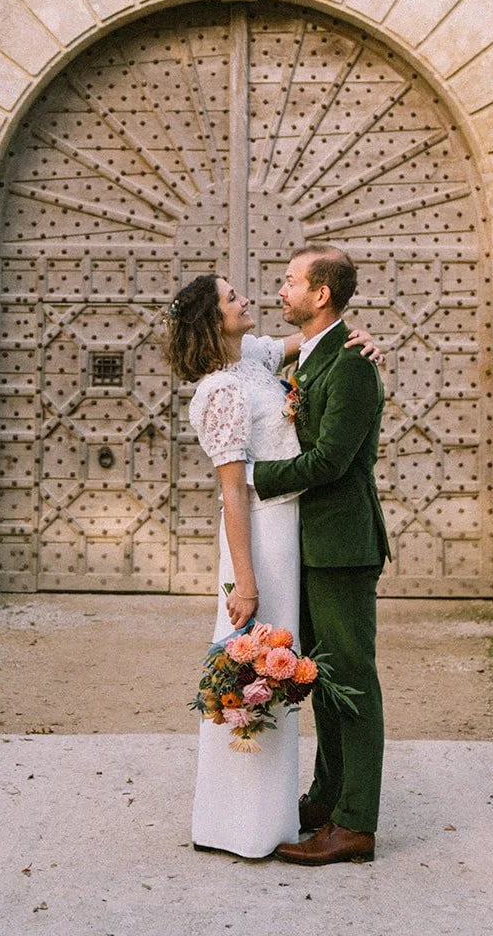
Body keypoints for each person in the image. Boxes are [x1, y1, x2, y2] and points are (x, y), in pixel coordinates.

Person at [164, 273, 379, 860]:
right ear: (214, 320)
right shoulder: (220, 393)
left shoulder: (254, 359)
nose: (249, 300)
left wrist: (360, 339)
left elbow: (316, 342)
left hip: (295, 536)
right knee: (255, 667)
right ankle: (240, 819)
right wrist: (246, 581)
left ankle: (287, 808)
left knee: (290, 670)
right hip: (259, 541)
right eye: (234, 299)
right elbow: (234, 493)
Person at [252, 245, 389, 867]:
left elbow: (331, 461)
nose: (281, 291)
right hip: (309, 546)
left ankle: (355, 824)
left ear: (321, 294)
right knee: (324, 681)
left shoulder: (353, 366)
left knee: (352, 681)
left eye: (289, 282)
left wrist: (251, 477)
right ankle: (328, 798)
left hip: (342, 546)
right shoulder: (310, 356)